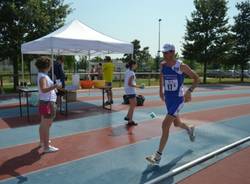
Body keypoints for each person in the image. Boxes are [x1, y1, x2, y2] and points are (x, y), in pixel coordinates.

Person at [146, 43, 200, 165]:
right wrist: (160, 91)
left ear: (173, 52)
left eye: (166, 52)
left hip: (178, 99)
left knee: (165, 125)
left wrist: (189, 91)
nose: (164, 55)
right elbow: (162, 77)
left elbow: (197, 79)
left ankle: (157, 156)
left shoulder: (181, 66)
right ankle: (189, 129)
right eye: (163, 52)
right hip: (168, 99)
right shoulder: (163, 64)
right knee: (177, 123)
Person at [35, 56, 60, 153]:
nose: (50, 67)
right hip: (47, 103)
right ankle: (46, 147)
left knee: (43, 124)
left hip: (45, 102)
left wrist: (53, 88)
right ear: (47, 66)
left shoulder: (41, 75)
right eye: (50, 65)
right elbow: (44, 89)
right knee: (46, 124)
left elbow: (44, 89)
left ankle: (43, 142)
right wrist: (54, 86)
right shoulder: (43, 77)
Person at [124, 60, 139, 126]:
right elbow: (130, 83)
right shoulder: (132, 73)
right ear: (133, 65)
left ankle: (128, 116)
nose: (137, 65)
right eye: (136, 64)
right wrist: (139, 86)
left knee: (133, 104)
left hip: (127, 89)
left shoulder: (127, 71)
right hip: (130, 90)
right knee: (133, 104)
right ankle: (130, 120)